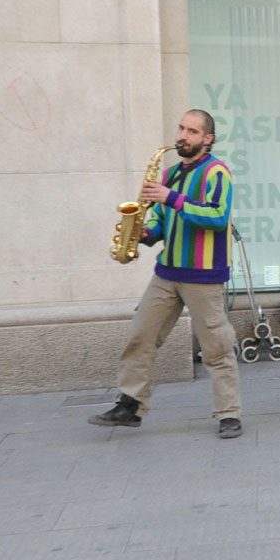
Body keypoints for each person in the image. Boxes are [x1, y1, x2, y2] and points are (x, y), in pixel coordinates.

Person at [88, 110, 243, 438]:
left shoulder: (218, 172)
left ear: (207, 139)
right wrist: (141, 235)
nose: (183, 135)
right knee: (140, 336)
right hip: (167, 272)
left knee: (216, 346)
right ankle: (130, 405)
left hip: (203, 275)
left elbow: (217, 217)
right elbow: (159, 221)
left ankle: (229, 414)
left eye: (192, 131)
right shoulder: (170, 173)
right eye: (182, 128)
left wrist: (170, 198)